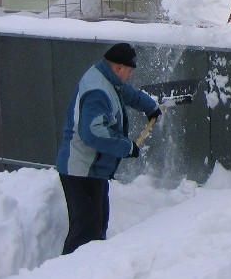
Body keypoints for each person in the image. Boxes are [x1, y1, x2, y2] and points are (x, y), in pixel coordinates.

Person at [56, 42, 162, 254]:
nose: (130, 75)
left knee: (96, 229)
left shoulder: (106, 78)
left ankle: (91, 277)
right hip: (82, 169)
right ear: (119, 67)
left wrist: (150, 107)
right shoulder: (98, 91)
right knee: (85, 234)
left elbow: (127, 93)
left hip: (92, 169)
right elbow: (93, 133)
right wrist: (126, 146)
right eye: (130, 71)